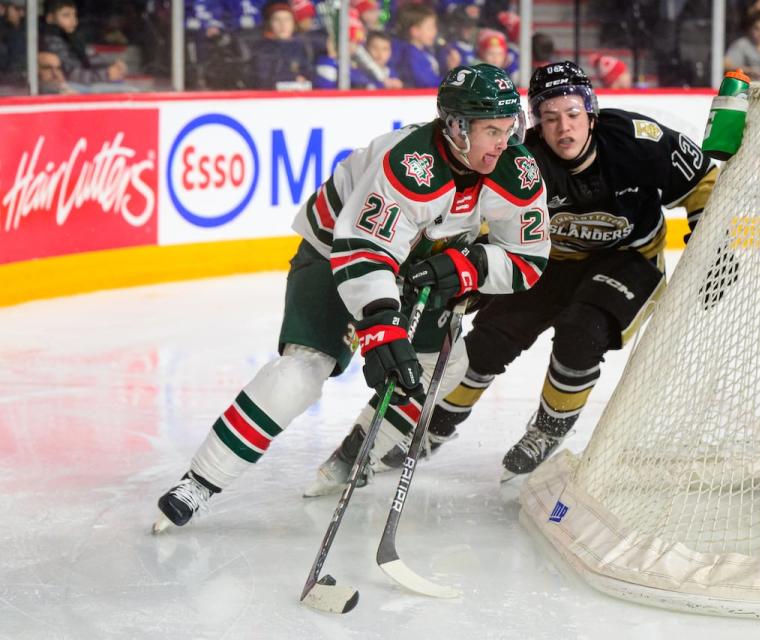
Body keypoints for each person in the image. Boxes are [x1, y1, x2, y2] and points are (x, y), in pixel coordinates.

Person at [154, 63, 549, 528]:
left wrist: (470, 267)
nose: (504, 142)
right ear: (457, 127)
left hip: (417, 266)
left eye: (509, 128)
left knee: (441, 367)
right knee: (304, 370)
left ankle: (354, 456)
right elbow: (364, 252)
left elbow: (528, 258)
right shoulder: (410, 164)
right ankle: (200, 482)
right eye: (491, 131)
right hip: (336, 253)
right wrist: (381, 329)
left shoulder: (515, 167)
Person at [346, 60, 719, 482]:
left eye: (574, 114)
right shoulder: (521, 161)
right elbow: (483, 223)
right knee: (489, 339)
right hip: (548, 260)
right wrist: (466, 273)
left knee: (582, 330)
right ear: (535, 122)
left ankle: (547, 427)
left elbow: (704, 181)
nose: (564, 129)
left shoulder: (638, 141)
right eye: (550, 117)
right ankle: (434, 426)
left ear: (591, 113)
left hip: (629, 259)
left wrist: (712, 248)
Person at [40, 0, 127, 86]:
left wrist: (112, 66)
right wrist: (106, 74)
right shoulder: (51, 42)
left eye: (74, 15)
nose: (73, 20)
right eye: (66, 15)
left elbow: (90, 57)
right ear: (50, 18)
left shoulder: (72, 39)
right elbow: (72, 74)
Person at [251, 1, 312, 89]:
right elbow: (263, 80)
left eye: (287, 19)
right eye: (277, 20)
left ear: (293, 23)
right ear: (269, 24)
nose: (283, 24)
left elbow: (310, 73)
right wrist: (293, 79)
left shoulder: (303, 46)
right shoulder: (261, 49)